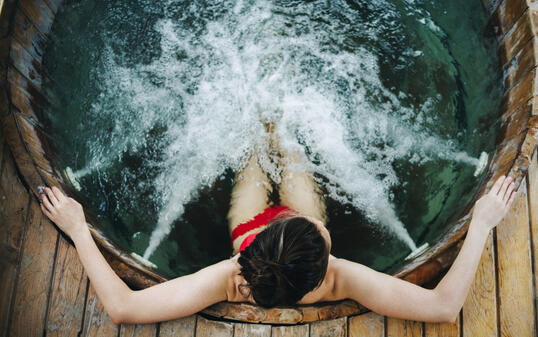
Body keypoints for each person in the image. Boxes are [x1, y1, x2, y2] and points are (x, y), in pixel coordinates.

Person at [38, 132, 517, 324]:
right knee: (288, 144)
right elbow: (444, 307)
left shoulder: (231, 275)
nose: (292, 217)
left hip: (250, 231)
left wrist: (79, 228)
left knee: (255, 148)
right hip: (260, 239)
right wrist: (481, 224)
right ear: (323, 261)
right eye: (317, 233)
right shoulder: (337, 278)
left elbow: (121, 308)